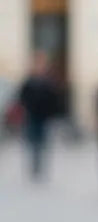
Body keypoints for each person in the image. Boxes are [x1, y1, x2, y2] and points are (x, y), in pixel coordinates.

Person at [18, 51, 60, 181]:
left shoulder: (48, 82)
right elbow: (22, 96)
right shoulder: (29, 81)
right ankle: (34, 167)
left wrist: (51, 112)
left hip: (44, 116)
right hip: (32, 115)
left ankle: (41, 168)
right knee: (33, 143)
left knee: (44, 143)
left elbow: (54, 98)